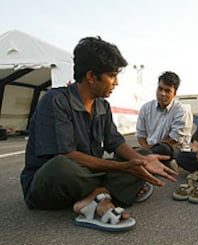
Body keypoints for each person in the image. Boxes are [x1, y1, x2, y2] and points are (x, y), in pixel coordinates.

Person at [20, 36, 177, 232]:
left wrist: (140, 161)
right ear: (91, 76)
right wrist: (124, 169)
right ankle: (108, 193)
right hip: (53, 181)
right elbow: (66, 155)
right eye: (112, 75)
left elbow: (115, 141)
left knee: (142, 157)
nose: (116, 82)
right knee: (61, 166)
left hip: (88, 175)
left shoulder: (102, 105)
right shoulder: (55, 101)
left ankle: (95, 196)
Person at [135, 71, 193, 164]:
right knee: (124, 150)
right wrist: (145, 148)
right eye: (160, 89)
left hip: (172, 150)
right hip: (150, 148)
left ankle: (143, 159)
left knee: (163, 148)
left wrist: (146, 150)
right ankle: (146, 159)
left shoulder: (182, 110)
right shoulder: (146, 108)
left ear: (175, 93)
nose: (162, 94)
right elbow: (141, 135)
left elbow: (174, 141)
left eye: (167, 91)